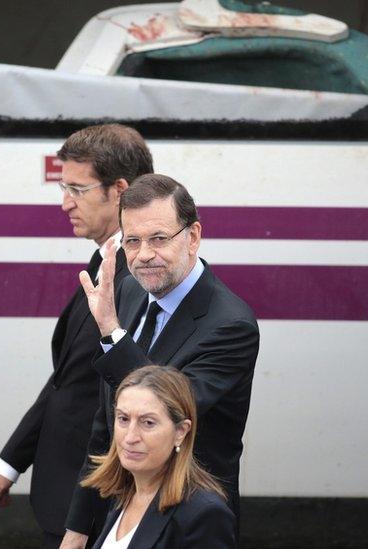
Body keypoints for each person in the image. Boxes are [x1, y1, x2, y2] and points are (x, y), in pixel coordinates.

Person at [0, 124, 153, 548]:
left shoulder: (138, 276)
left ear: (120, 190)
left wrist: (80, 521)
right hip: (67, 493)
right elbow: (67, 379)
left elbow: (119, 398)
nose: (64, 204)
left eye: (77, 188)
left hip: (93, 500)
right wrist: (10, 462)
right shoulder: (104, 262)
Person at [60, 174, 259, 548]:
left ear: (193, 236)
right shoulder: (131, 291)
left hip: (184, 525)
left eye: (158, 239)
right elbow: (106, 427)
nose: (144, 255)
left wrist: (112, 333)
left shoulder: (231, 325)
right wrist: (78, 527)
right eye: (132, 241)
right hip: (120, 516)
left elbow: (162, 404)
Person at [83, 365, 236, 549]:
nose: (130, 437)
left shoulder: (205, 514)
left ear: (181, 431)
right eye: (123, 419)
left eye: (148, 423)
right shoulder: (123, 494)